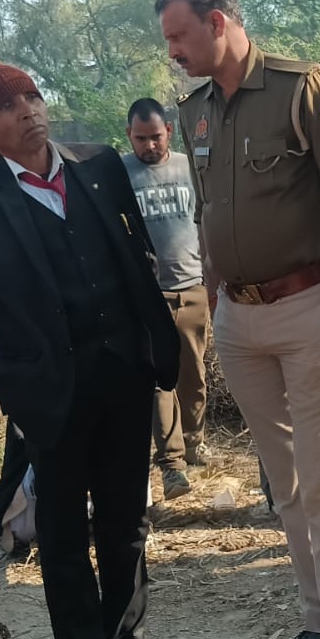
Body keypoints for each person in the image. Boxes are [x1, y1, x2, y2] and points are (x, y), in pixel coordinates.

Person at [0, 60, 200, 639]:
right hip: (48, 395)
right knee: (65, 536)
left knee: (127, 523)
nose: (28, 111)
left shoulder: (99, 167)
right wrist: (2, 379)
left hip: (124, 378)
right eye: (8, 106)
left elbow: (135, 259)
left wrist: (151, 344)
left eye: (32, 96)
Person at [160, 0, 320, 639]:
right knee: (284, 487)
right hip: (239, 317)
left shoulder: (301, 87)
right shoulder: (194, 111)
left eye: (179, 36)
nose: (173, 51)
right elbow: (208, 212)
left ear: (218, 22)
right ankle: (318, 628)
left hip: (307, 308)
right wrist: (217, 300)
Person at [121, 98, 209, 501]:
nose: (149, 145)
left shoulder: (189, 168)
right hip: (147, 296)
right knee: (160, 380)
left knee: (193, 375)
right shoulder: (121, 174)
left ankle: (194, 441)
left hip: (192, 288)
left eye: (155, 137)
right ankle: (171, 465)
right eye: (141, 139)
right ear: (129, 136)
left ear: (169, 132)